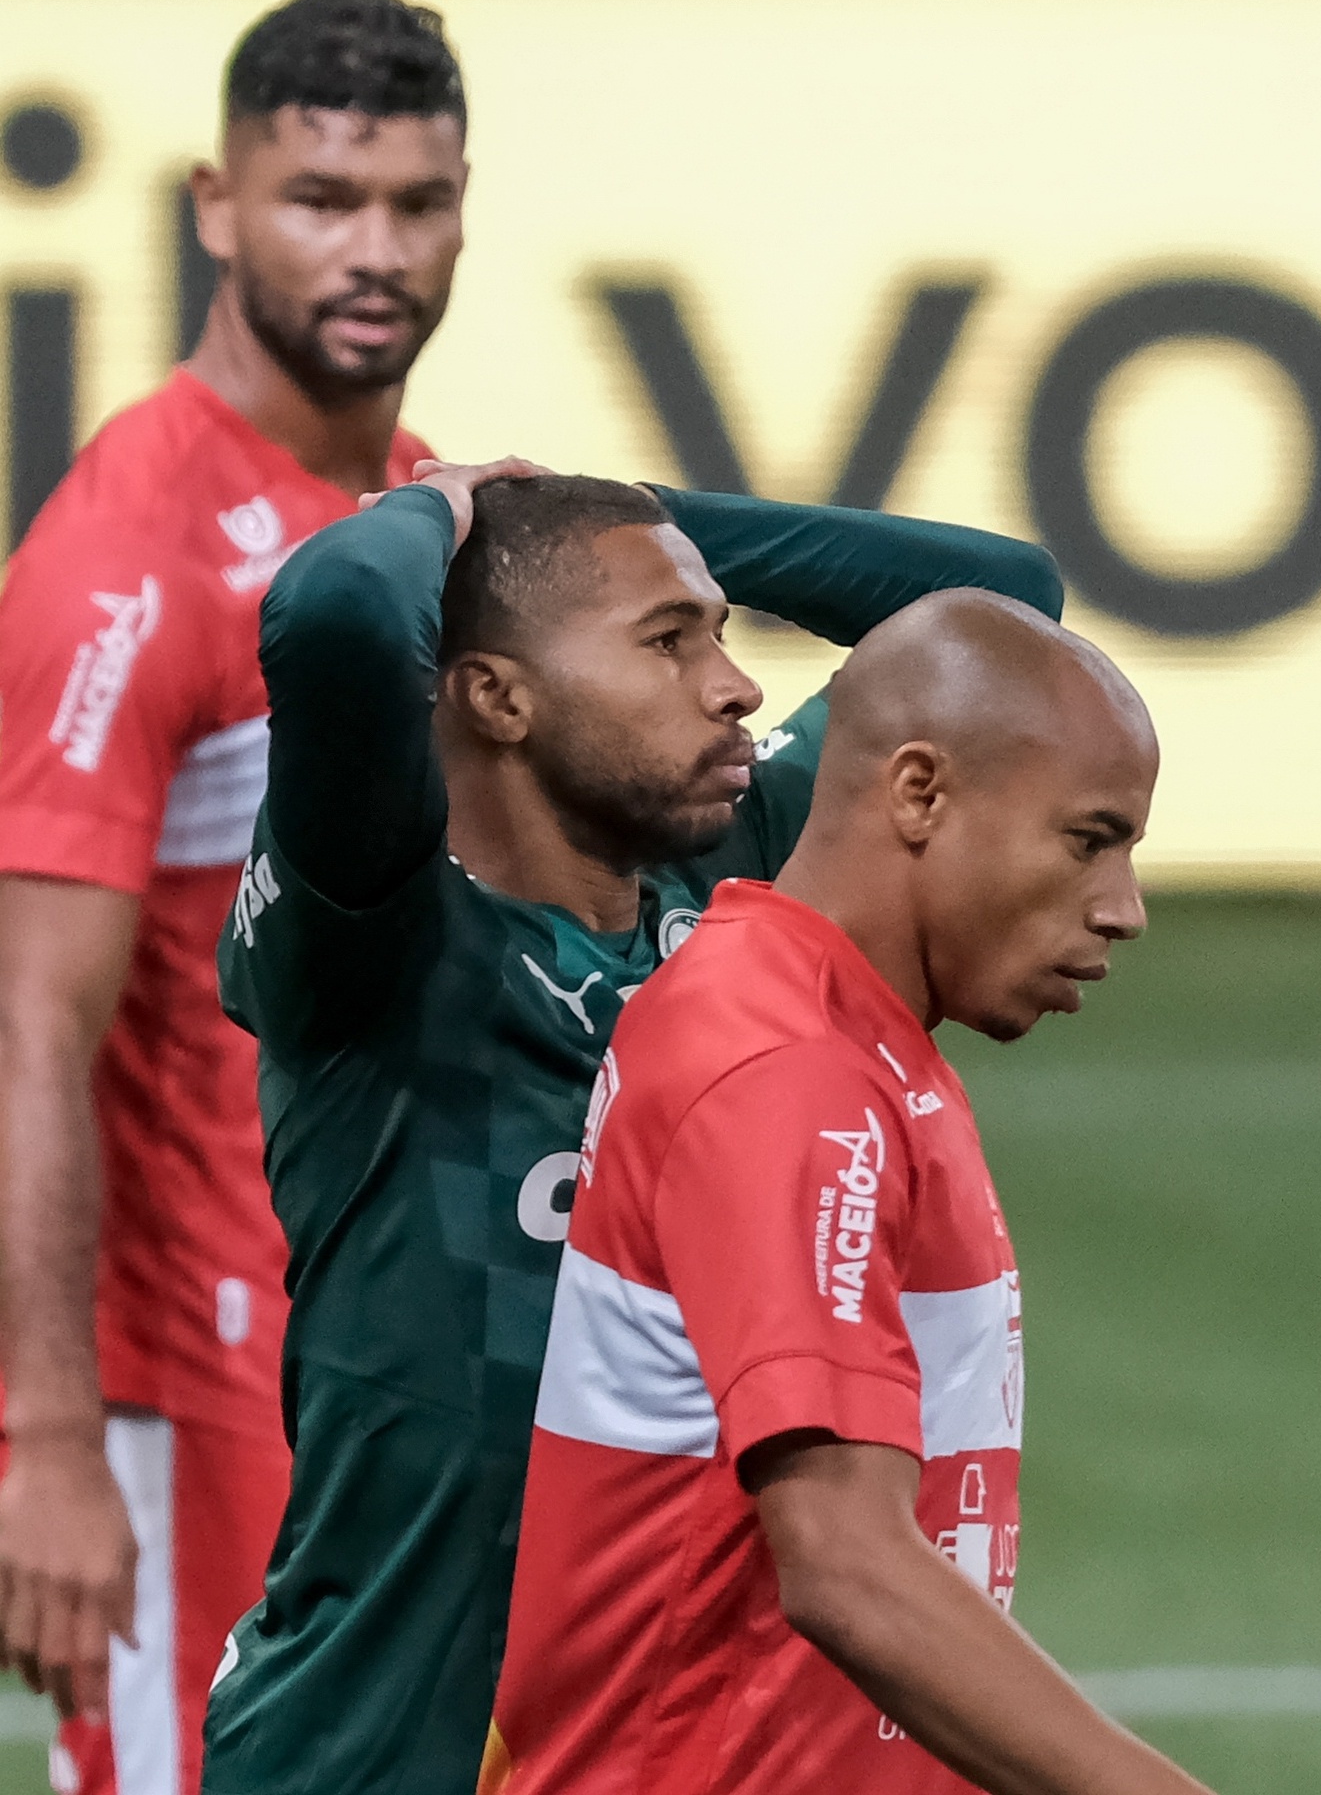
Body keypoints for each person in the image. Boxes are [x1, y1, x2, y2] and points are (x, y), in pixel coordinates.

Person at [200, 459, 1064, 1795]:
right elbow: (339, 617)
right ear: (497, 696)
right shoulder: (376, 935)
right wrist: (453, 507)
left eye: (716, 636)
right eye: (668, 643)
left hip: (623, 1739)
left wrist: (626, 517)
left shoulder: (727, 867)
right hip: (377, 1732)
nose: (734, 684)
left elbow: (996, 607)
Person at [487, 589, 1216, 1795]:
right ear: (919, 793)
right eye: (1089, 840)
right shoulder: (789, 1070)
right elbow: (842, 1559)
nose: (1121, 907)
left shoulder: (837, 1030)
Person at [0, 0, 464, 1791]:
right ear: (216, 204)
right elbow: (28, 1026)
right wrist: (45, 1441)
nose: (373, 252)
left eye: (415, 205)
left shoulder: (423, 505)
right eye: (321, 198)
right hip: (184, 1381)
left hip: (371, 1350)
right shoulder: (125, 560)